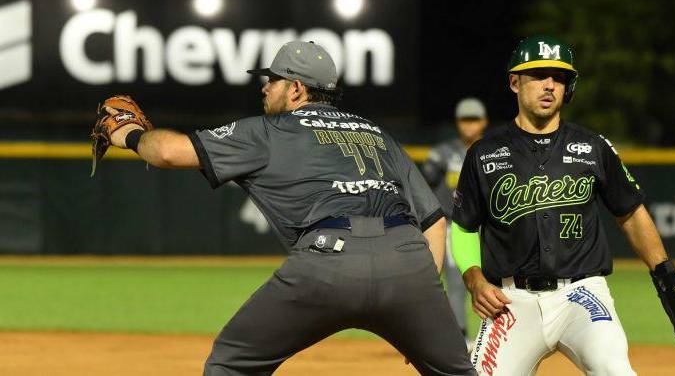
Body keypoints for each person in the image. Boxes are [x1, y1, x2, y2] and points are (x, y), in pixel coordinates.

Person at [103, 41, 476, 376]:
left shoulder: (272, 130)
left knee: (229, 365)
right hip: (407, 263)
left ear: (296, 88)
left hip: (329, 262)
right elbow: (434, 222)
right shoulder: (378, 134)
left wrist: (130, 134)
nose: (264, 87)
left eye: (273, 79)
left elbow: (168, 152)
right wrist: (422, 307)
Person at [450, 35, 675, 375]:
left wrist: (667, 277)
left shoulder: (592, 147)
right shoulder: (483, 153)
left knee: (615, 370)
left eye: (559, 77)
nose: (549, 85)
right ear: (514, 82)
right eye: (539, 75)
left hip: (581, 295)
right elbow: (464, 225)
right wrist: (474, 279)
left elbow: (630, 213)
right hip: (511, 301)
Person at [421, 97, 488, 342]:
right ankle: (461, 339)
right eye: (465, 120)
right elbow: (423, 186)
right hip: (454, 227)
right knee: (457, 282)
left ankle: (494, 338)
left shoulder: (494, 150)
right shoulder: (443, 153)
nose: (469, 125)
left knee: (493, 281)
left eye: (474, 120)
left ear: (484, 122)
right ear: (458, 123)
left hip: (489, 228)